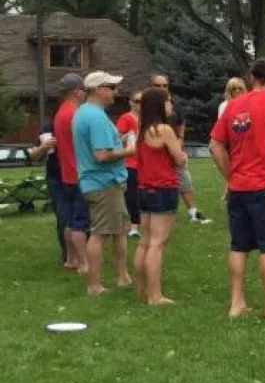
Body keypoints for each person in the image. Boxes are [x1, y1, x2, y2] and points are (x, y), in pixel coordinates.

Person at [209, 59, 265, 320]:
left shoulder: (233, 105)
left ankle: (237, 303)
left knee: (239, 245)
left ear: (251, 78)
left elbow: (214, 145)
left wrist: (231, 175)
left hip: (239, 187)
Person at [73, 71, 135, 295]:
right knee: (100, 233)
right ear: (99, 89)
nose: (115, 92)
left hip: (101, 182)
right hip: (103, 183)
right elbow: (101, 155)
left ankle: (123, 276)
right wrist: (128, 150)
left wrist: (119, 140)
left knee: (119, 230)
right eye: (111, 87)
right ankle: (95, 286)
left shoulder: (85, 112)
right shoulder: (97, 117)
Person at [133, 87, 186, 305]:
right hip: (163, 188)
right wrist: (181, 154)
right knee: (158, 243)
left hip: (145, 188)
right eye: (168, 101)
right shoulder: (163, 130)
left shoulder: (143, 130)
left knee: (145, 241)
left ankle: (141, 289)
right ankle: (155, 295)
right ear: (160, 104)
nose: (171, 104)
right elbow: (180, 158)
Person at [151, 74, 211, 224]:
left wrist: (180, 139)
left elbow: (181, 121)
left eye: (164, 86)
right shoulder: (149, 105)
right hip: (157, 152)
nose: (161, 89)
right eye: (158, 86)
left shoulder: (174, 103)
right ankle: (158, 213)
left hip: (174, 149)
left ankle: (193, 212)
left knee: (183, 177)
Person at [53, 73, 90, 274]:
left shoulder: (60, 113)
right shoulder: (75, 114)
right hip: (79, 173)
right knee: (80, 222)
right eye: (83, 90)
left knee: (69, 221)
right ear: (76, 91)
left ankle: (71, 259)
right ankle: (84, 263)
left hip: (66, 173)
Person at [30, 121, 66, 265]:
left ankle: (84, 253)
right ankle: (68, 255)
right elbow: (34, 156)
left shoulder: (80, 123)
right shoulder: (48, 129)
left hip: (79, 177)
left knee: (82, 217)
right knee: (63, 217)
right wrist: (44, 147)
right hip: (56, 178)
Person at [116, 92, 142, 238]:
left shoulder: (146, 118)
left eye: (142, 101)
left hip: (144, 162)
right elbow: (117, 138)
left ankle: (136, 225)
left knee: (141, 195)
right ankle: (132, 226)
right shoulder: (126, 118)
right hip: (129, 162)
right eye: (137, 101)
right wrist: (129, 136)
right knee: (131, 195)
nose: (140, 104)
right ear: (131, 102)